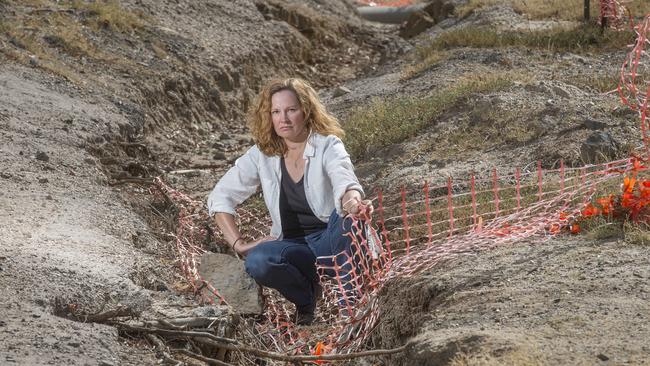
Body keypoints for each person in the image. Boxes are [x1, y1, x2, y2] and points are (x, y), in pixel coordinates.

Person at [207, 78, 373, 325]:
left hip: (331, 238)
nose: (283, 119)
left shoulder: (328, 144)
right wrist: (239, 244)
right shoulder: (262, 154)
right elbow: (220, 196)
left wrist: (353, 202)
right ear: (269, 116)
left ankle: (352, 308)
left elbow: (344, 179)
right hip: (294, 248)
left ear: (306, 111)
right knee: (259, 261)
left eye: (291, 110)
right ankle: (306, 302)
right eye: (276, 112)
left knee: (349, 221)